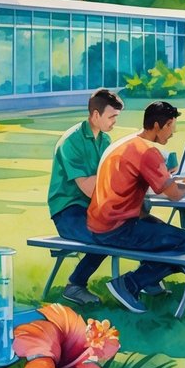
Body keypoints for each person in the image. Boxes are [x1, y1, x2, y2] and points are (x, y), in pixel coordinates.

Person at [87, 101, 185, 314]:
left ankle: (149, 281)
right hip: (118, 227)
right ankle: (129, 284)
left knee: (162, 229)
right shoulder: (147, 152)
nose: (172, 133)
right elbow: (174, 195)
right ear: (157, 126)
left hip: (101, 222)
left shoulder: (126, 143)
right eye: (170, 127)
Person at [45, 88, 123, 306]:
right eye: (112, 117)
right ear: (95, 115)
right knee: (108, 233)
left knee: (133, 221)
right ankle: (75, 285)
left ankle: (147, 278)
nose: (114, 122)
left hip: (93, 208)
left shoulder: (105, 140)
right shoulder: (71, 141)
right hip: (68, 211)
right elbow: (89, 188)